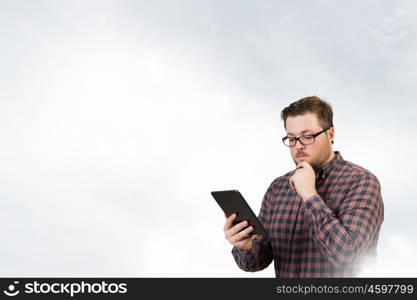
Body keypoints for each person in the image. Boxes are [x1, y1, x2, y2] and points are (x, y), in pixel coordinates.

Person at [223, 96, 384, 277]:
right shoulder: (278, 188)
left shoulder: (361, 182)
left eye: (308, 137)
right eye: (291, 139)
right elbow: (258, 261)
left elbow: (348, 254)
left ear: (330, 134)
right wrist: (245, 246)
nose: (298, 146)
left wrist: (310, 195)